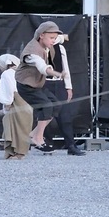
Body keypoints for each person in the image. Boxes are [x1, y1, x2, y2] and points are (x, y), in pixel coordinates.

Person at [14, 21, 66, 152]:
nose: (53, 41)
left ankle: (34, 133)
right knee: (46, 106)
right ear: (41, 35)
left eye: (55, 38)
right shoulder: (31, 53)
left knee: (56, 105)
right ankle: (38, 138)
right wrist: (57, 74)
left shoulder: (48, 40)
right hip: (25, 85)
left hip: (37, 85)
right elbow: (42, 67)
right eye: (51, 38)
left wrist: (64, 37)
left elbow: (60, 38)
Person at [43, 32, 86, 156]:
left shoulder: (60, 48)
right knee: (45, 114)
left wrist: (68, 86)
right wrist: (61, 38)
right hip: (45, 83)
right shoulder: (39, 48)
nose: (54, 39)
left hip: (59, 83)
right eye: (51, 37)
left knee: (65, 115)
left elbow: (65, 68)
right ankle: (48, 144)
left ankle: (71, 145)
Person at [0, 54, 32, 160]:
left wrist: (7, 102)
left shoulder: (7, 73)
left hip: (16, 101)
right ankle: (16, 151)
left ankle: (17, 152)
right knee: (21, 126)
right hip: (26, 100)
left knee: (15, 126)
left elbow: (9, 88)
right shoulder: (22, 72)